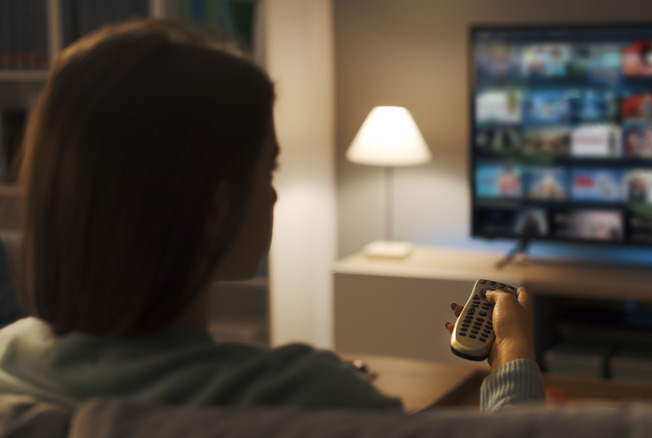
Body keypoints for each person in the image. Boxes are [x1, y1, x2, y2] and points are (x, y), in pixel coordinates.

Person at [0, 19, 543, 413]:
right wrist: (514, 355)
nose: (274, 195)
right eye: (268, 171)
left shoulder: (10, 362)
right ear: (217, 207)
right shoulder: (309, 399)